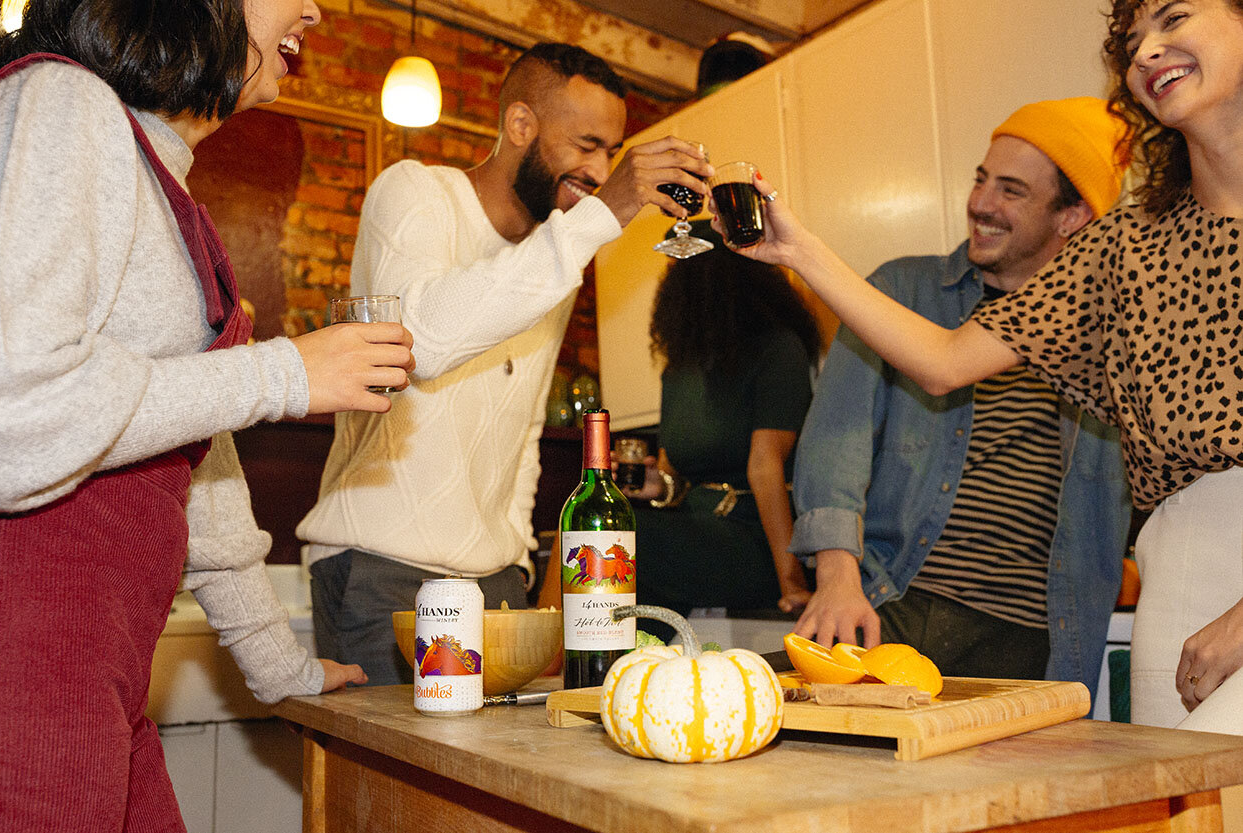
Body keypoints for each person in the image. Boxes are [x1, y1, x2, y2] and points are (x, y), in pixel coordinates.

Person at [725, 0, 1243, 736]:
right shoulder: (1130, 246)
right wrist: (797, 249)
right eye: (1133, 40)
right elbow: (942, 362)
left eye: (1175, 16)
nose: (1147, 51)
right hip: (1173, 578)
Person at [0, 0, 417, 829]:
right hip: (22, 678)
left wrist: (278, 664)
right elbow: (14, 414)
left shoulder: (161, 175)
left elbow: (200, 465)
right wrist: (283, 374)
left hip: (99, 683)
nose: (314, 9)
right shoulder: (63, 101)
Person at [297, 42, 713, 686]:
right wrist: (603, 216)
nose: (601, 170)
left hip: (496, 582)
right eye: (587, 145)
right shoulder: (414, 192)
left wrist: (518, 559)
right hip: (382, 569)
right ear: (521, 124)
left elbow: (523, 431)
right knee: (388, 758)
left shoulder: (555, 256)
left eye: (611, 151)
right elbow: (422, 341)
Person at [788, 98, 1132, 701]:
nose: (981, 203)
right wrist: (837, 577)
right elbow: (836, 439)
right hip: (898, 604)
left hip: (1035, 638)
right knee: (757, 705)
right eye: (981, 179)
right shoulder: (902, 291)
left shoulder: (1108, 334)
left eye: (1011, 190)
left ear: (1072, 216)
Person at [619, 222, 819, 641]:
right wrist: (659, 487)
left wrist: (791, 581)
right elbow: (677, 477)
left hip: (756, 539)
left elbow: (765, 468)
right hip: (696, 532)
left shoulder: (778, 349)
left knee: (604, 537)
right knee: (607, 547)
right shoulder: (679, 369)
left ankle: (552, 665)